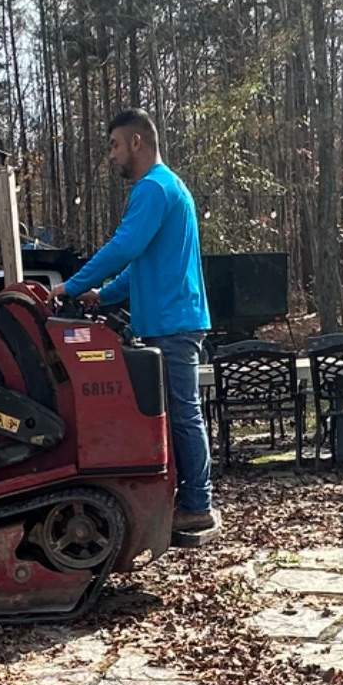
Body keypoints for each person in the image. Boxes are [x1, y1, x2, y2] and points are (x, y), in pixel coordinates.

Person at [62, 108, 216, 543]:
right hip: (171, 318)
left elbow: (125, 246)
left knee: (184, 413)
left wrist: (68, 288)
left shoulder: (152, 189)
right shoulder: (172, 188)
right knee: (174, 414)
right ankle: (179, 499)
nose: (111, 156)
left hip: (172, 322)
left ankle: (198, 505)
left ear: (137, 142)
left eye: (113, 145)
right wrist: (101, 295)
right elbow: (142, 264)